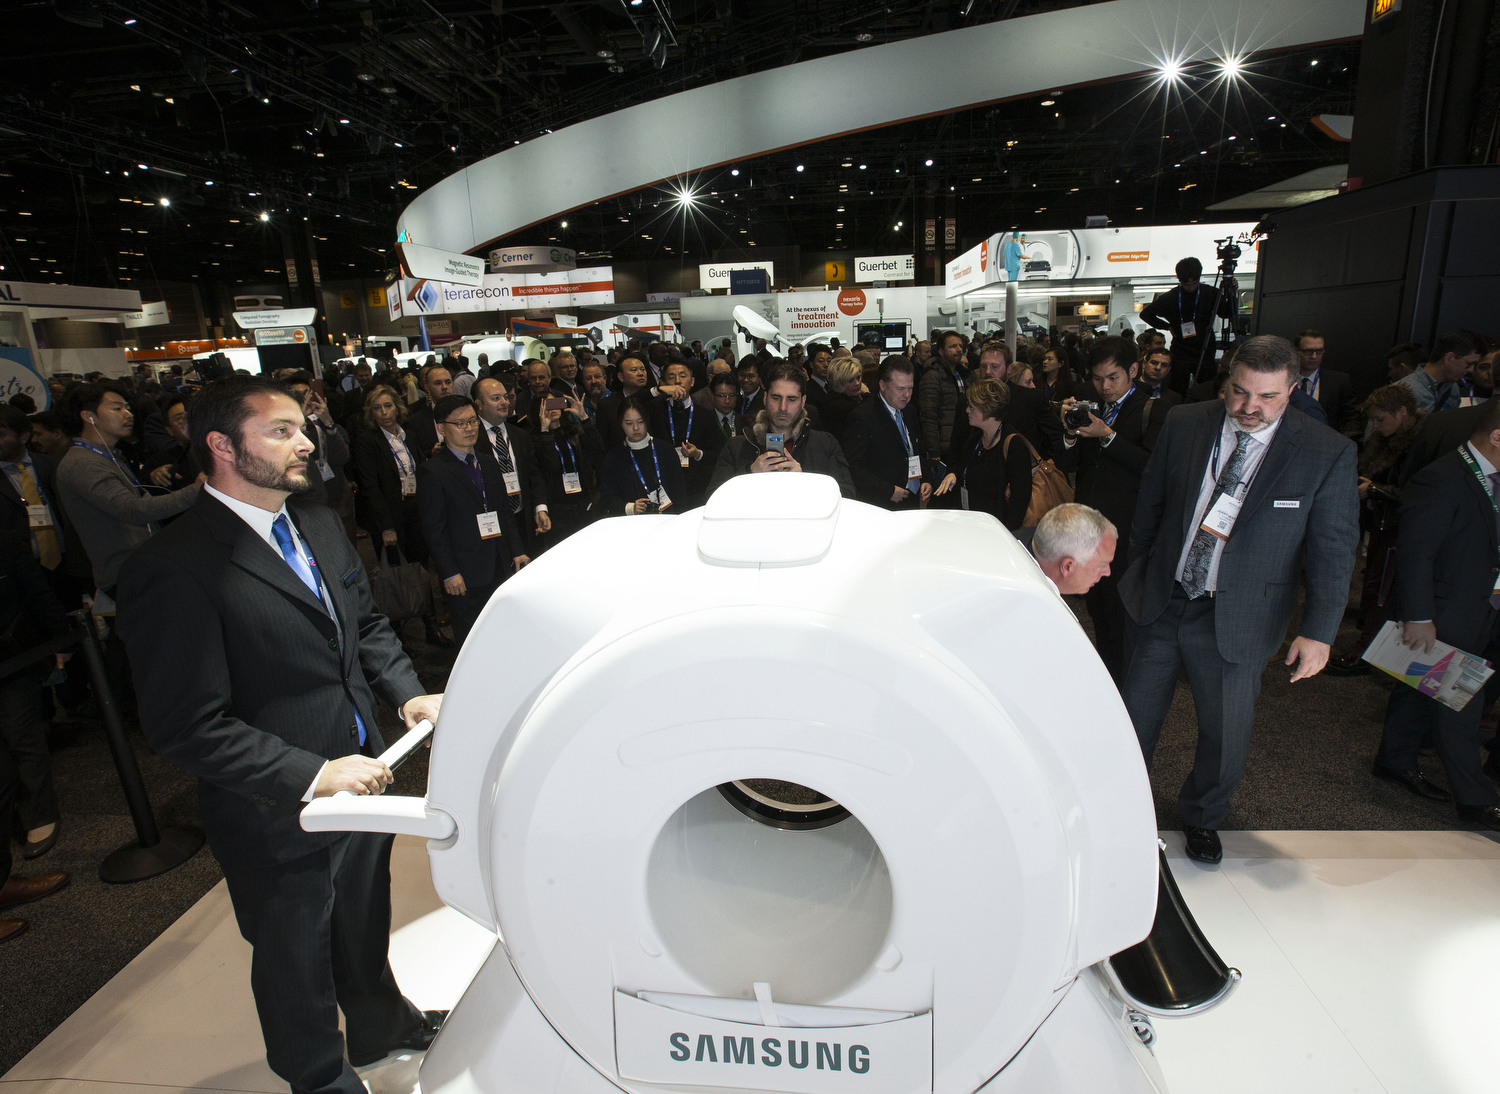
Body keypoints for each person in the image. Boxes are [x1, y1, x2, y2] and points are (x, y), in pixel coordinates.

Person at [116, 376, 448, 1093]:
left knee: (362, 917)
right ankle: (317, 1076)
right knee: (294, 954)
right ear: (221, 445)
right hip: (274, 803)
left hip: (364, 775)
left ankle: (379, 1024)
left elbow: (364, 624)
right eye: (281, 431)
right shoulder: (172, 567)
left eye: (302, 427)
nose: (305, 443)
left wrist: (408, 693)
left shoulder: (318, 522)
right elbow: (184, 726)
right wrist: (312, 773)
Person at [1118, 334, 1359, 864]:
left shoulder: (1326, 452)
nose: (1250, 407)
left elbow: (1334, 550)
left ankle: (1203, 816)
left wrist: (1319, 631)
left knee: (1225, 732)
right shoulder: (1186, 422)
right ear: (1227, 380)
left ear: (1292, 390)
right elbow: (1151, 501)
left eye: (1267, 397)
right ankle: (1119, 811)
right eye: (1240, 391)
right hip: (1163, 599)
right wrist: (1138, 570)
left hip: (1240, 613)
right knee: (1132, 719)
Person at [1373, 398, 1500, 831]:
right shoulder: (1441, 478)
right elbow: (1415, 554)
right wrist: (1418, 616)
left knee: (1418, 688)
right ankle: (1475, 799)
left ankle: (1394, 760)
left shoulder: (1488, 478)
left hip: (1478, 606)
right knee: (1461, 701)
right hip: (1442, 612)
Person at [1054, 337, 1163, 683]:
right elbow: (1068, 464)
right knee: (1097, 608)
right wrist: (1070, 432)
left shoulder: (1153, 409)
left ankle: (1126, 687)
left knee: (1121, 612)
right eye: (1098, 378)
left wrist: (1108, 436)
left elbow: (1152, 468)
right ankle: (1107, 679)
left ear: (1133, 370)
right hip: (1089, 529)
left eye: (1113, 377)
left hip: (1128, 531)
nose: (1105, 387)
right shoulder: (1092, 406)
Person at [55, 382, 201, 601]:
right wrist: (195, 490)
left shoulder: (107, 456)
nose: (128, 414)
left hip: (144, 565)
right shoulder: (83, 463)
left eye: (127, 408)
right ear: (88, 416)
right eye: (117, 408)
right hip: (129, 573)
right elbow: (131, 509)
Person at [0, 533, 72, 941]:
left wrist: (57, 631)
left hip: (9, 646)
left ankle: (2, 880)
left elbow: (25, 574)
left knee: (17, 751)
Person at [1327, 385, 1425, 675]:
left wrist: (1374, 489)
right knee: (1374, 587)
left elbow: (1417, 492)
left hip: (1398, 528)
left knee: (1379, 590)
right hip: (1380, 523)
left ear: (1402, 412)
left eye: (1381, 419)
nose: (1376, 425)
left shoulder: (1420, 444)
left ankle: (1365, 652)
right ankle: (1368, 646)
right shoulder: (1388, 439)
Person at [416, 395, 526, 645]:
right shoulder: (432, 471)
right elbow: (434, 530)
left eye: (473, 421)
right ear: (441, 428)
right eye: (460, 424)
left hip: (498, 563)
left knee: (504, 633)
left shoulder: (487, 462)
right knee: (472, 640)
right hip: (464, 573)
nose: (469, 428)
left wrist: (517, 550)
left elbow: (503, 511)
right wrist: (449, 573)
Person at [707, 361, 855, 497]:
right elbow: (712, 499)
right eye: (776, 398)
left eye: (792, 399)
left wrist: (806, 483)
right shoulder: (736, 447)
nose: (783, 407)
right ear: (765, 398)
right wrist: (749, 474)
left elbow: (847, 496)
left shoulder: (826, 445)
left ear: (803, 401)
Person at [932, 378, 1032, 530]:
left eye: (972, 407)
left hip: (999, 529)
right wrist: (954, 474)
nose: (967, 410)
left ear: (989, 410)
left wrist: (1005, 534)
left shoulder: (1013, 444)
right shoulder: (975, 439)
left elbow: (1020, 499)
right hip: (972, 524)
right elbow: (965, 471)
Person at [472, 378, 550, 556]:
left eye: (506, 397)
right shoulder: (472, 439)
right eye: (496, 398)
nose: (504, 402)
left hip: (524, 518)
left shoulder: (520, 435)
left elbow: (534, 475)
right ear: (479, 405)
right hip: (491, 523)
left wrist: (540, 508)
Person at [841, 356, 931, 511]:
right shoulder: (863, 417)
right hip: (881, 503)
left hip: (911, 497)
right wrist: (887, 491)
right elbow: (853, 467)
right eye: (900, 389)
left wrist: (926, 479)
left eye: (910, 388)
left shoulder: (909, 411)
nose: (907, 395)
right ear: (882, 385)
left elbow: (917, 449)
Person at [1139, 257, 1238, 394]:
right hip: (1181, 348)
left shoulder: (1210, 293)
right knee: (1177, 387)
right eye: (1186, 284)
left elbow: (1227, 313)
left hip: (1205, 347)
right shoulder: (1171, 297)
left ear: (1199, 278)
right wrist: (1167, 326)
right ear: (1180, 280)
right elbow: (1146, 314)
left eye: (1194, 283)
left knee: (1207, 388)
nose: (1191, 287)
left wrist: (1232, 294)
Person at [533, 388, 603, 544]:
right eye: (547, 406)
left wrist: (583, 417)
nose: (552, 409)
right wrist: (545, 430)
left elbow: (597, 447)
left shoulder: (573, 430)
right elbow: (551, 464)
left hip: (584, 500)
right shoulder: (536, 438)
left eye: (554, 404)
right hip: (558, 508)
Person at [599, 396, 687, 515]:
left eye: (640, 422)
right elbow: (608, 497)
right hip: (633, 521)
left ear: (647, 420)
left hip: (668, 517)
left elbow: (679, 491)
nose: (635, 428)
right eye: (629, 423)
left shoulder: (665, 449)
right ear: (621, 424)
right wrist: (630, 508)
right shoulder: (614, 457)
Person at [650, 361, 717, 508]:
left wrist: (698, 454)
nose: (677, 381)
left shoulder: (705, 415)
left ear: (692, 382)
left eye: (682, 376)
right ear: (664, 383)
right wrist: (658, 391)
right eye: (671, 377)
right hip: (664, 486)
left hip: (697, 488)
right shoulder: (655, 411)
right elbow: (632, 401)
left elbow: (716, 454)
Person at [1030, 503, 1117, 595]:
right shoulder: (1034, 599)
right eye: (1101, 565)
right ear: (1067, 567)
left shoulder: (1027, 537)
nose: (1107, 572)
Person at [917, 330, 969, 476]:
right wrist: (933, 449)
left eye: (960, 346)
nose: (958, 349)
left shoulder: (963, 375)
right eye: (952, 346)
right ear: (941, 351)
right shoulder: (933, 377)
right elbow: (928, 415)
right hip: (944, 448)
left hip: (962, 443)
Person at [1395, 330, 1481, 414]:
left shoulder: (1452, 388)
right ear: (1449, 358)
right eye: (1469, 364)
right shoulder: (1402, 392)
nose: (1471, 370)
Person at [1294, 329, 1358, 435]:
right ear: (1296, 351)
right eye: (1308, 351)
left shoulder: (1339, 381)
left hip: (1325, 438)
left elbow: (1351, 417)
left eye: (1319, 351)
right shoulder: (1283, 380)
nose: (1314, 356)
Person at [404, 363, 453, 457]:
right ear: (427, 387)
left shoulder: (467, 413)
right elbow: (416, 454)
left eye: (448, 382)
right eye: (438, 383)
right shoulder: (416, 421)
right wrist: (431, 453)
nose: (444, 387)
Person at [818, 357, 864, 442]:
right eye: (850, 380)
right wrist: (867, 394)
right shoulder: (842, 406)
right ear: (839, 383)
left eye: (858, 378)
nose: (857, 383)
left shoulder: (831, 398)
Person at [1139, 348, 1181, 438]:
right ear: (1144, 363)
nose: (1158, 368)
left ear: (1168, 370)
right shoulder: (1127, 388)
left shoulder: (1174, 398)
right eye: (1154, 363)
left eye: (1164, 365)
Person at [804, 342, 833, 407]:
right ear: (812, 364)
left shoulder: (832, 386)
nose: (826, 365)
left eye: (829, 361)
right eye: (821, 361)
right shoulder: (807, 390)